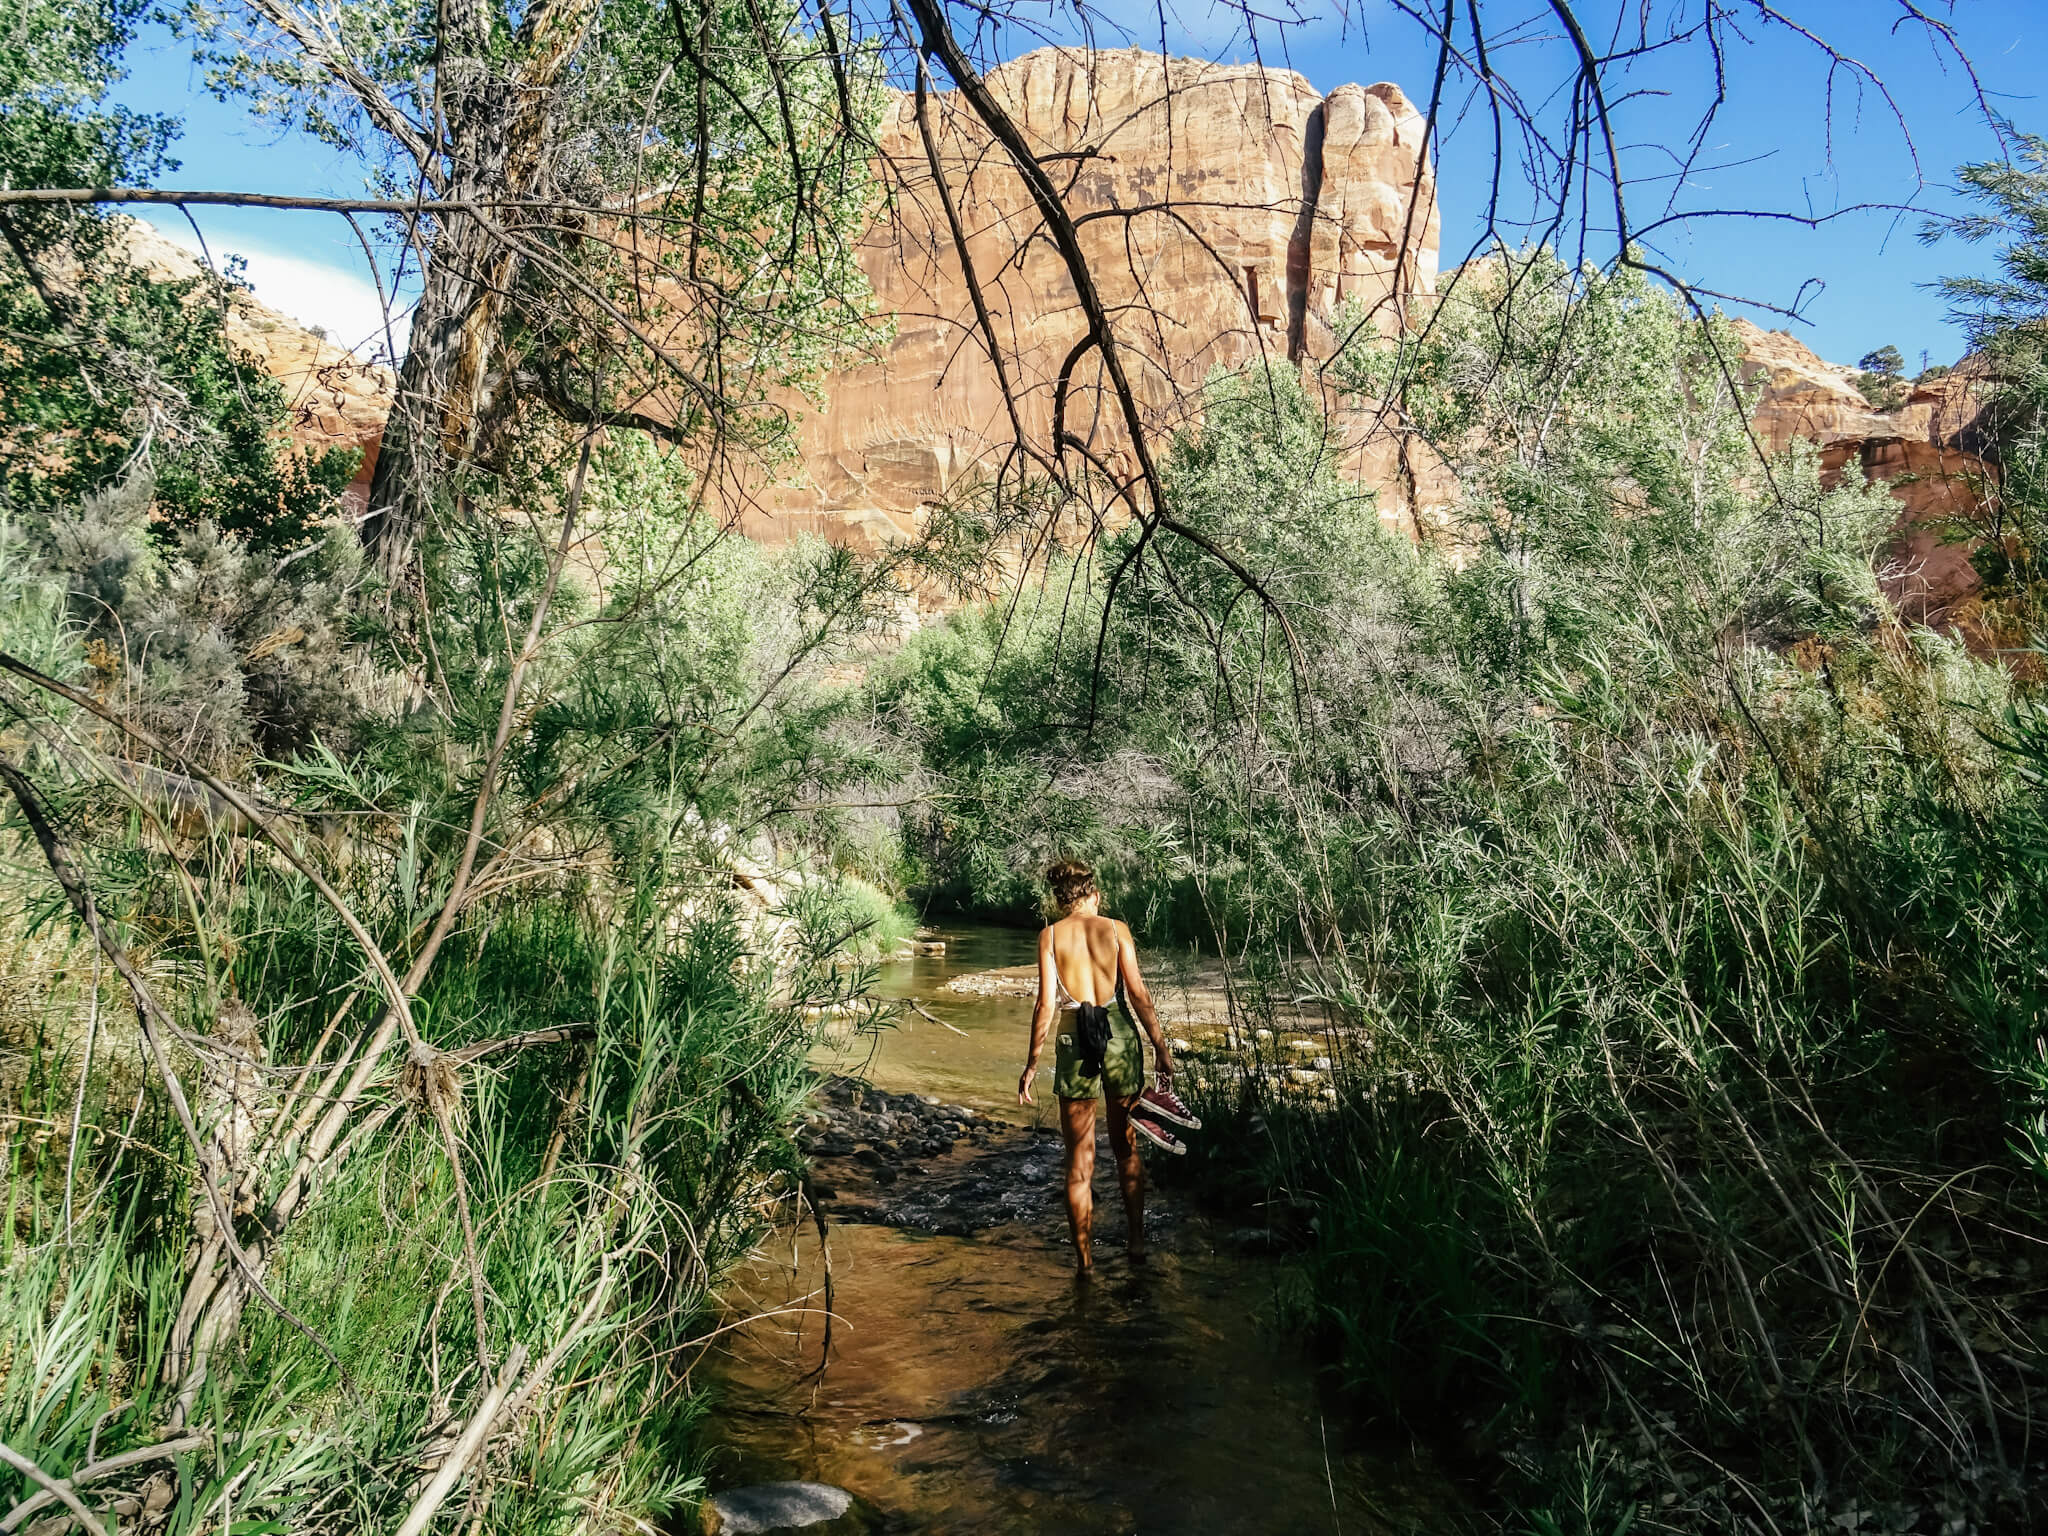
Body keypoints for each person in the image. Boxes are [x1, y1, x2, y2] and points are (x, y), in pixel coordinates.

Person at [1017, 859, 1200, 1272]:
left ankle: (1084, 1264)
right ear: (1094, 896)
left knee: (1079, 1162)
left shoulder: (1049, 936)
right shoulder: (1116, 930)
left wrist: (1031, 1064)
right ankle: (1136, 1245)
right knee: (1126, 1149)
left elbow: (1046, 1004)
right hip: (1118, 1034)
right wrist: (1160, 1046)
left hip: (1072, 1036)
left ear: (1061, 900)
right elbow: (1137, 993)